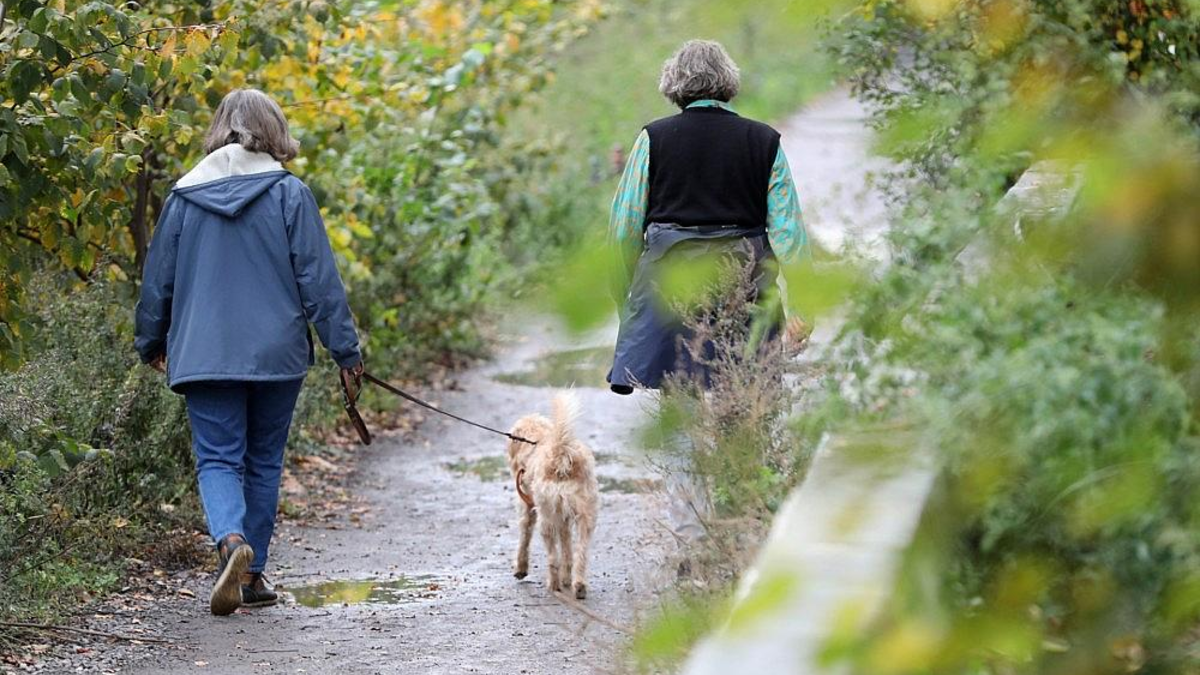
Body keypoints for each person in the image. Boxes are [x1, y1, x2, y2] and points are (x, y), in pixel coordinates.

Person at [134, 89, 363, 616]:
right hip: (276, 354)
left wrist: (151, 341)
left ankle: (231, 541)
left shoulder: (183, 197)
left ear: (219, 129)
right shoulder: (290, 194)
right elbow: (319, 281)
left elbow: (157, 282)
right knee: (263, 459)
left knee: (218, 457)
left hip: (204, 352)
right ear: (275, 131)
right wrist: (346, 352)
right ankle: (251, 575)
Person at [606, 40, 807, 540]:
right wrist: (803, 306)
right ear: (728, 83)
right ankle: (743, 526)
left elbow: (624, 228)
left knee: (682, 417)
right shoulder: (765, 142)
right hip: (746, 286)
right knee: (745, 407)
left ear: (674, 85)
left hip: (670, 289)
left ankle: (692, 538)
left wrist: (628, 304)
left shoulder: (652, 139)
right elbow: (789, 233)